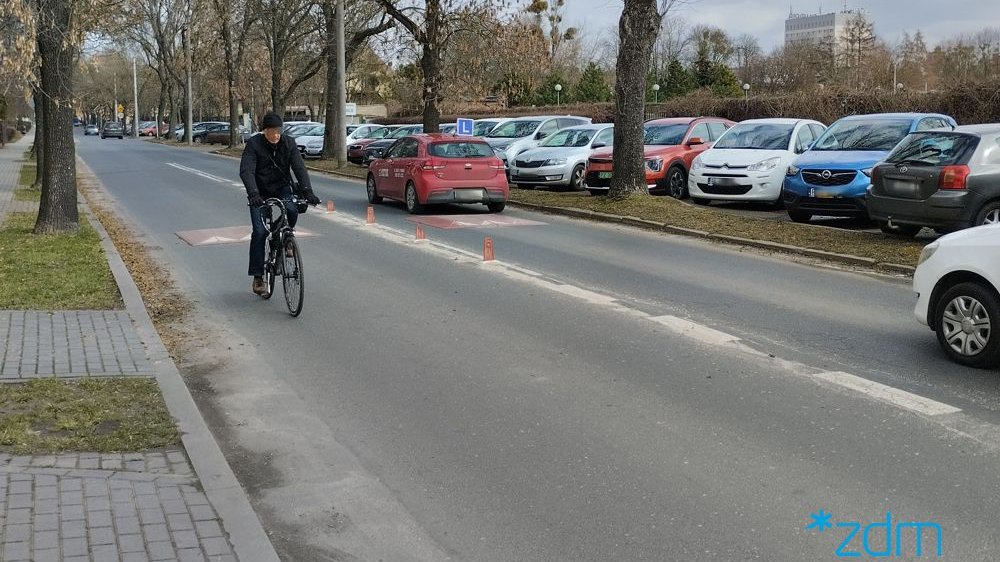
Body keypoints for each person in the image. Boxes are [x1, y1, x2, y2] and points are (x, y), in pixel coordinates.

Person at [239, 112, 321, 295]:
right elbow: (246, 170)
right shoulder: (254, 144)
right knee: (259, 232)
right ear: (264, 131)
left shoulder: (288, 143)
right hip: (259, 192)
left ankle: (283, 238)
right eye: (272, 131)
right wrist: (253, 193)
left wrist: (308, 191)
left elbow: (299, 167)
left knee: (292, 209)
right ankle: (258, 277)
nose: (276, 135)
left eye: (278, 131)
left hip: (282, 187)